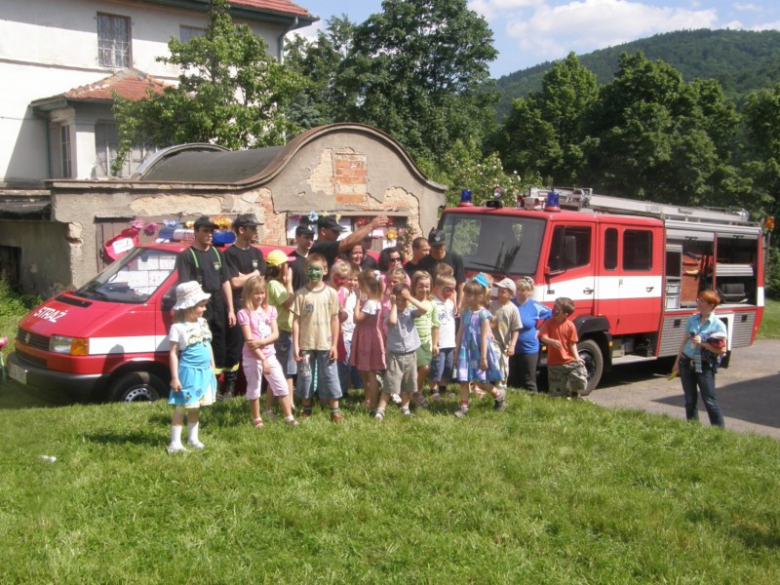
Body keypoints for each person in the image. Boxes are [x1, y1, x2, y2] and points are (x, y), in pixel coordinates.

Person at [175, 216, 235, 398]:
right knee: (200, 346)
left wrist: (231, 309)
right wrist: (193, 315)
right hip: (199, 308)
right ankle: (202, 387)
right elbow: (185, 288)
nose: (210, 235)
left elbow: (226, 282)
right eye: (205, 231)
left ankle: (218, 388)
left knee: (219, 347)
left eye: (212, 231)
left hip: (219, 306)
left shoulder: (218, 254)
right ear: (196, 232)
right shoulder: (187, 256)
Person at [237, 276, 298, 428]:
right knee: (254, 388)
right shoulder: (244, 313)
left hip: (270, 355)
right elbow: (250, 341)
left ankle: (288, 417)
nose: (260, 296)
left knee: (281, 385)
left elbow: (275, 334)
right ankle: (257, 418)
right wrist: (262, 359)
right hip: (253, 358)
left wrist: (263, 343)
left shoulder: (270, 310)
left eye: (262, 293)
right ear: (249, 294)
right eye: (256, 293)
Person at [167, 281, 218, 454]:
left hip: (204, 371)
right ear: (189, 307)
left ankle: (193, 438)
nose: (204, 309)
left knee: (195, 406)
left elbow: (207, 344)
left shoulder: (202, 323)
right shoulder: (178, 328)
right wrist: (175, 377)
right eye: (201, 306)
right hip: (189, 372)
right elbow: (173, 353)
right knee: (183, 406)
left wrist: (212, 364)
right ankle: (175, 443)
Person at [291, 253, 343, 422]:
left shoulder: (331, 293)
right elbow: (296, 321)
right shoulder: (300, 294)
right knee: (305, 376)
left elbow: (335, 320)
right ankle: (306, 407)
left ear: (325, 270)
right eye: (311, 270)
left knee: (330, 375)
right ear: (306, 270)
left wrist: (334, 345)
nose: (314, 273)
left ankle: (334, 410)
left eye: (318, 270)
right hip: (306, 344)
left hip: (326, 343)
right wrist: (296, 345)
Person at [223, 213, 266, 398]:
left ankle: (259, 388)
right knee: (235, 349)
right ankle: (229, 389)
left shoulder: (256, 253)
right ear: (241, 230)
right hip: (239, 308)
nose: (256, 231)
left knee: (258, 346)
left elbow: (261, 279)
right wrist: (252, 274)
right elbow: (234, 283)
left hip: (256, 310)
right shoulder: (229, 254)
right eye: (252, 228)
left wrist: (244, 276)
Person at [671, 290, 727, 427]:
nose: (698, 302)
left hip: (704, 365)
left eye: (702, 301)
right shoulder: (692, 319)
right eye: (699, 300)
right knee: (690, 400)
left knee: (709, 400)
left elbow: (722, 349)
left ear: (711, 305)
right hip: (686, 362)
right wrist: (677, 363)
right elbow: (684, 342)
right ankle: (693, 427)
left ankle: (718, 432)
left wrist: (702, 343)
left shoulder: (718, 325)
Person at [375, 283, 430, 420]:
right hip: (395, 355)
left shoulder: (410, 312)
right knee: (390, 383)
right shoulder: (389, 312)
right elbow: (392, 321)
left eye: (403, 299)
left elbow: (424, 309)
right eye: (398, 299)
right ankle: (381, 409)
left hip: (410, 354)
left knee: (408, 383)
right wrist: (393, 305)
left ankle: (405, 408)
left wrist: (409, 298)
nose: (401, 302)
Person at [453, 276, 506, 418]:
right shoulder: (465, 312)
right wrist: (456, 351)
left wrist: (483, 358)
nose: (466, 298)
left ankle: (498, 394)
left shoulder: (484, 315)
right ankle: (463, 407)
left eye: (469, 295)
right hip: (465, 350)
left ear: (480, 296)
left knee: (480, 382)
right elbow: (460, 332)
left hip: (478, 351)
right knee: (464, 379)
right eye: (466, 295)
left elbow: (484, 337)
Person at [264, 249, 297, 417]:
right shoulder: (275, 285)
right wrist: (290, 284)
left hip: (286, 331)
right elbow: (288, 304)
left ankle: (289, 403)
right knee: (280, 372)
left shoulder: (275, 284)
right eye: (286, 264)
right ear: (279, 267)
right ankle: (270, 408)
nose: (289, 267)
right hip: (282, 332)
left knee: (287, 371)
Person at [349, 268, 386, 409]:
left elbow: (357, 319)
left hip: (368, 338)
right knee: (364, 370)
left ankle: (373, 403)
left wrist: (357, 301)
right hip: (366, 336)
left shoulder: (370, 303)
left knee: (370, 371)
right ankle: (368, 399)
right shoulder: (374, 300)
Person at [537, 297, 588, 399]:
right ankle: (562, 399)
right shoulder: (549, 323)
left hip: (570, 360)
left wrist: (577, 357)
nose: (553, 309)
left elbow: (572, 343)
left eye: (557, 308)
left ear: (565, 314)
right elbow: (543, 337)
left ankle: (574, 394)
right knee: (557, 393)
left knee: (579, 378)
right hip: (554, 362)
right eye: (554, 306)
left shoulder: (570, 326)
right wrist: (552, 341)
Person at [508, 277, 551, 392]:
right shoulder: (509, 304)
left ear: (529, 292)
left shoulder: (535, 306)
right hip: (510, 348)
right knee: (512, 379)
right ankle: (514, 403)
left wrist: (540, 330)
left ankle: (532, 404)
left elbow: (551, 315)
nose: (520, 293)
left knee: (529, 380)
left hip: (529, 348)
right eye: (518, 290)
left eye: (523, 290)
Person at [312, 214, 389, 274]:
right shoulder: (320, 246)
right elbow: (347, 242)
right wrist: (371, 225)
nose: (338, 234)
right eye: (335, 232)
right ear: (323, 231)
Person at [418, 228, 466, 310]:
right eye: (435, 246)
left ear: (445, 244)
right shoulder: (423, 263)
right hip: (431, 302)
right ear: (430, 245)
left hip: (451, 302)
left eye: (440, 245)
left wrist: (459, 304)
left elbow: (461, 284)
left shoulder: (455, 259)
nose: (438, 249)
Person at [410, 270, 439, 406]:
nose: (424, 289)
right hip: (412, 341)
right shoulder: (410, 302)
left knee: (421, 370)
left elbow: (435, 325)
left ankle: (417, 394)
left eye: (427, 286)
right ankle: (414, 393)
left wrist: (435, 343)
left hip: (426, 342)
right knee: (424, 368)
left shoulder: (432, 303)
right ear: (414, 287)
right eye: (421, 286)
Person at [428, 274, 457, 401]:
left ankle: (443, 388)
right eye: (446, 290)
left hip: (450, 342)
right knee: (437, 367)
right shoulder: (432, 303)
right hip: (439, 342)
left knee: (448, 367)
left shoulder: (450, 303)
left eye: (452, 290)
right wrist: (434, 342)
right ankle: (432, 390)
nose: (449, 293)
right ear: (436, 288)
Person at [489, 278, 521, 390]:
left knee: (504, 365)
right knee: (495, 358)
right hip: (492, 340)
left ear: (511, 294)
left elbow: (516, 329)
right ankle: (488, 384)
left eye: (503, 291)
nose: (500, 294)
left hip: (505, 343)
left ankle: (501, 386)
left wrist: (512, 345)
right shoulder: (491, 305)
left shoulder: (513, 309)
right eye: (499, 291)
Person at [289, 223, 316, 291]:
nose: (310, 241)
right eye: (306, 237)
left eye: (312, 238)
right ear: (297, 237)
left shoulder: (314, 259)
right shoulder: (290, 260)